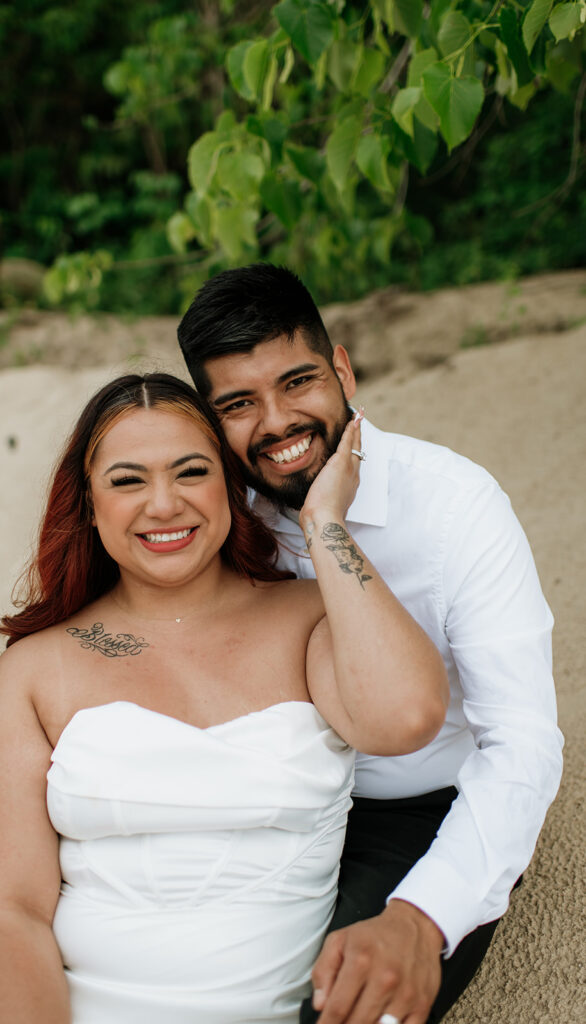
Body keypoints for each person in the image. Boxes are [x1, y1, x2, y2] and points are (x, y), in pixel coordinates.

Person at [0, 372, 447, 1024]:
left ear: (230, 485)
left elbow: (407, 716)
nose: (163, 505)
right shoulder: (33, 671)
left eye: (191, 472)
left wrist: (324, 522)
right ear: (87, 504)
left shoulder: (309, 619)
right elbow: (11, 913)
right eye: (128, 480)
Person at [175, 264, 564, 1024]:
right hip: (259, 798)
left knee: (338, 1005)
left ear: (343, 369)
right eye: (239, 404)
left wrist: (422, 916)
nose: (279, 421)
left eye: (298, 382)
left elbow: (521, 743)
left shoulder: (457, 505)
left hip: (412, 809)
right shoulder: (206, 512)